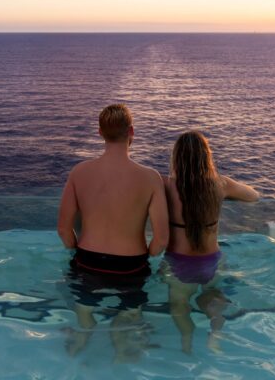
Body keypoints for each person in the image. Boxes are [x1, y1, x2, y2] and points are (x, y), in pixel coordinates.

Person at [57, 103, 168, 360]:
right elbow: (161, 240)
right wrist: (147, 254)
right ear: (132, 131)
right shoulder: (150, 177)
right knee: (129, 321)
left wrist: (76, 248)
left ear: (100, 132)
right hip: (131, 266)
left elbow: (63, 229)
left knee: (84, 317)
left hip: (87, 261)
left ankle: (79, 345)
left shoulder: (79, 173)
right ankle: (121, 357)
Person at [162, 130, 259, 353]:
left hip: (179, 262)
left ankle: (187, 342)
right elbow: (254, 196)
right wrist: (226, 194)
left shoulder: (166, 185)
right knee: (214, 299)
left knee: (179, 306)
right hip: (211, 261)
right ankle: (215, 335)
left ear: (177, 157)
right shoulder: (220, 185)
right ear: (207, 156)